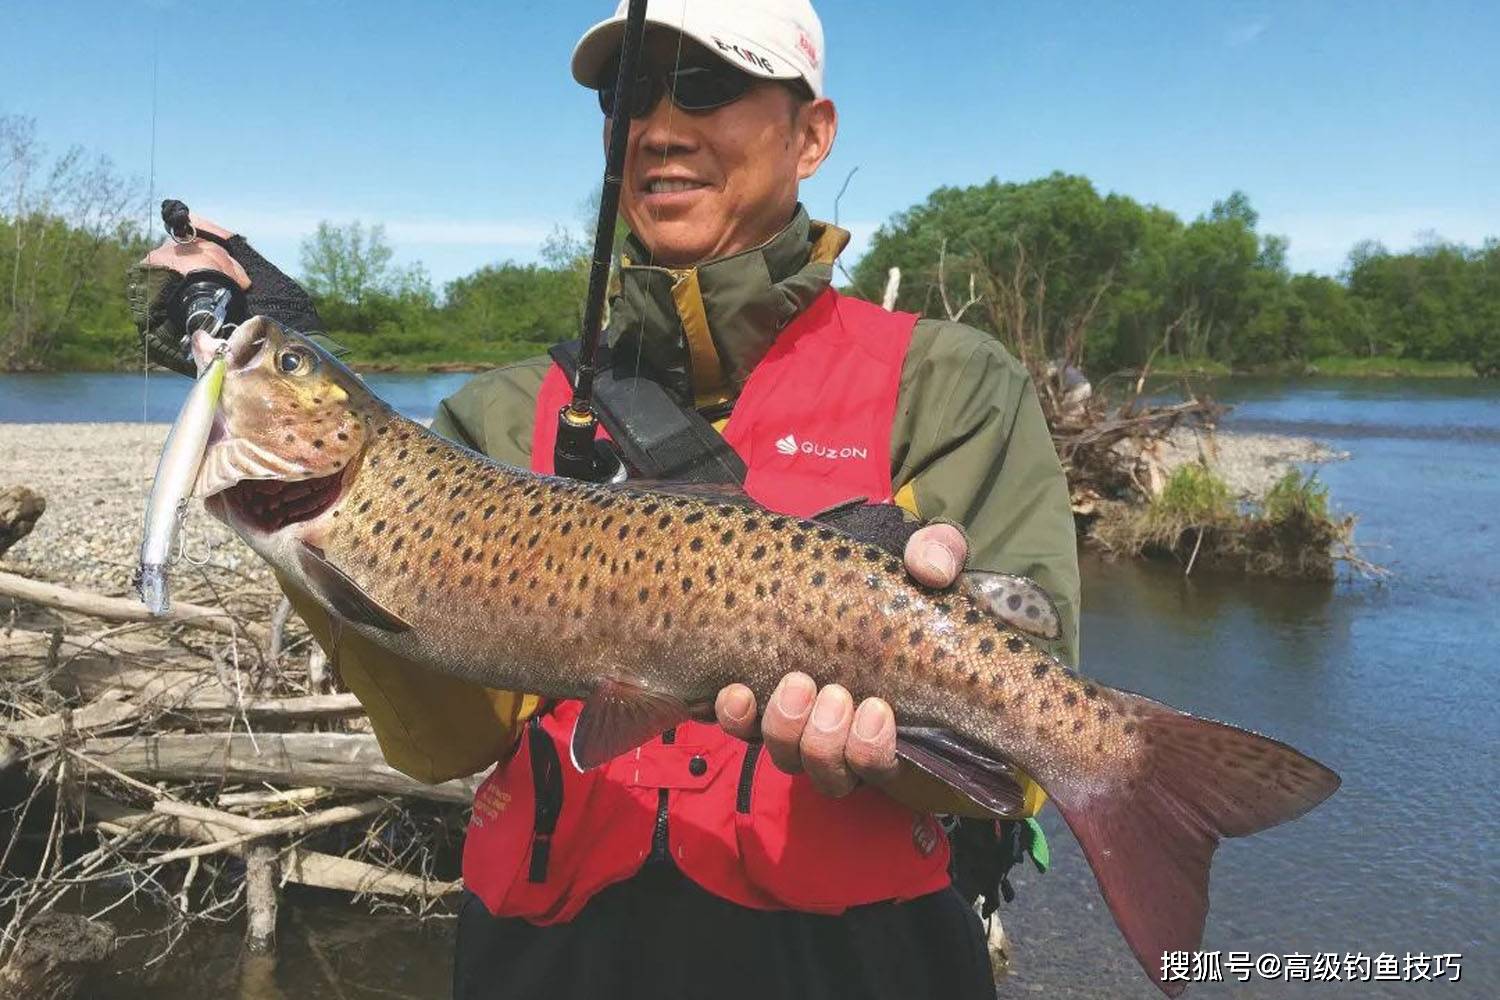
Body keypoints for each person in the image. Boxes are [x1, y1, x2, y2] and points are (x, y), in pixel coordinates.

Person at [135, 2, 1080, 996]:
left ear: (813, 135)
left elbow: (1015, 763)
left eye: (707, 85)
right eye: (627, 95)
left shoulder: (952, 385)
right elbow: (445, 739)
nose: (657, 128)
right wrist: (282, 428)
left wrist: (894, 753)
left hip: (850, 962)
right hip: (546, 959)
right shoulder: (493, 415)